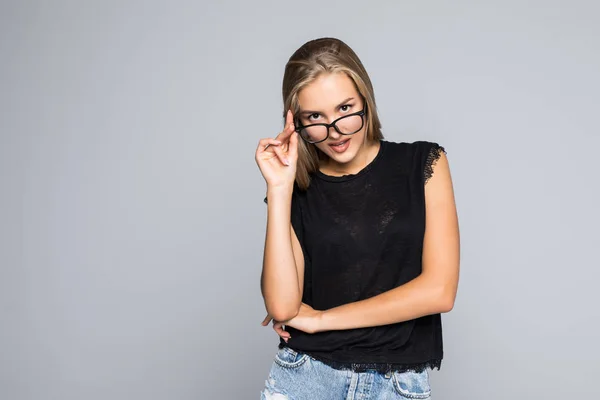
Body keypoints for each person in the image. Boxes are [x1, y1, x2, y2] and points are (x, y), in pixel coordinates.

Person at [255, 37, 460, 400]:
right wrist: (280, 189)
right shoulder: (298, 188)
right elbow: (283, 306)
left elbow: (439, 291)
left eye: (345, 108)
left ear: (365, 99)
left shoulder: (423, 164)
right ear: (295, 121)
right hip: (305, 379)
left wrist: (320, 320)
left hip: (398, 385)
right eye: (315, 117)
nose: (334, 131)